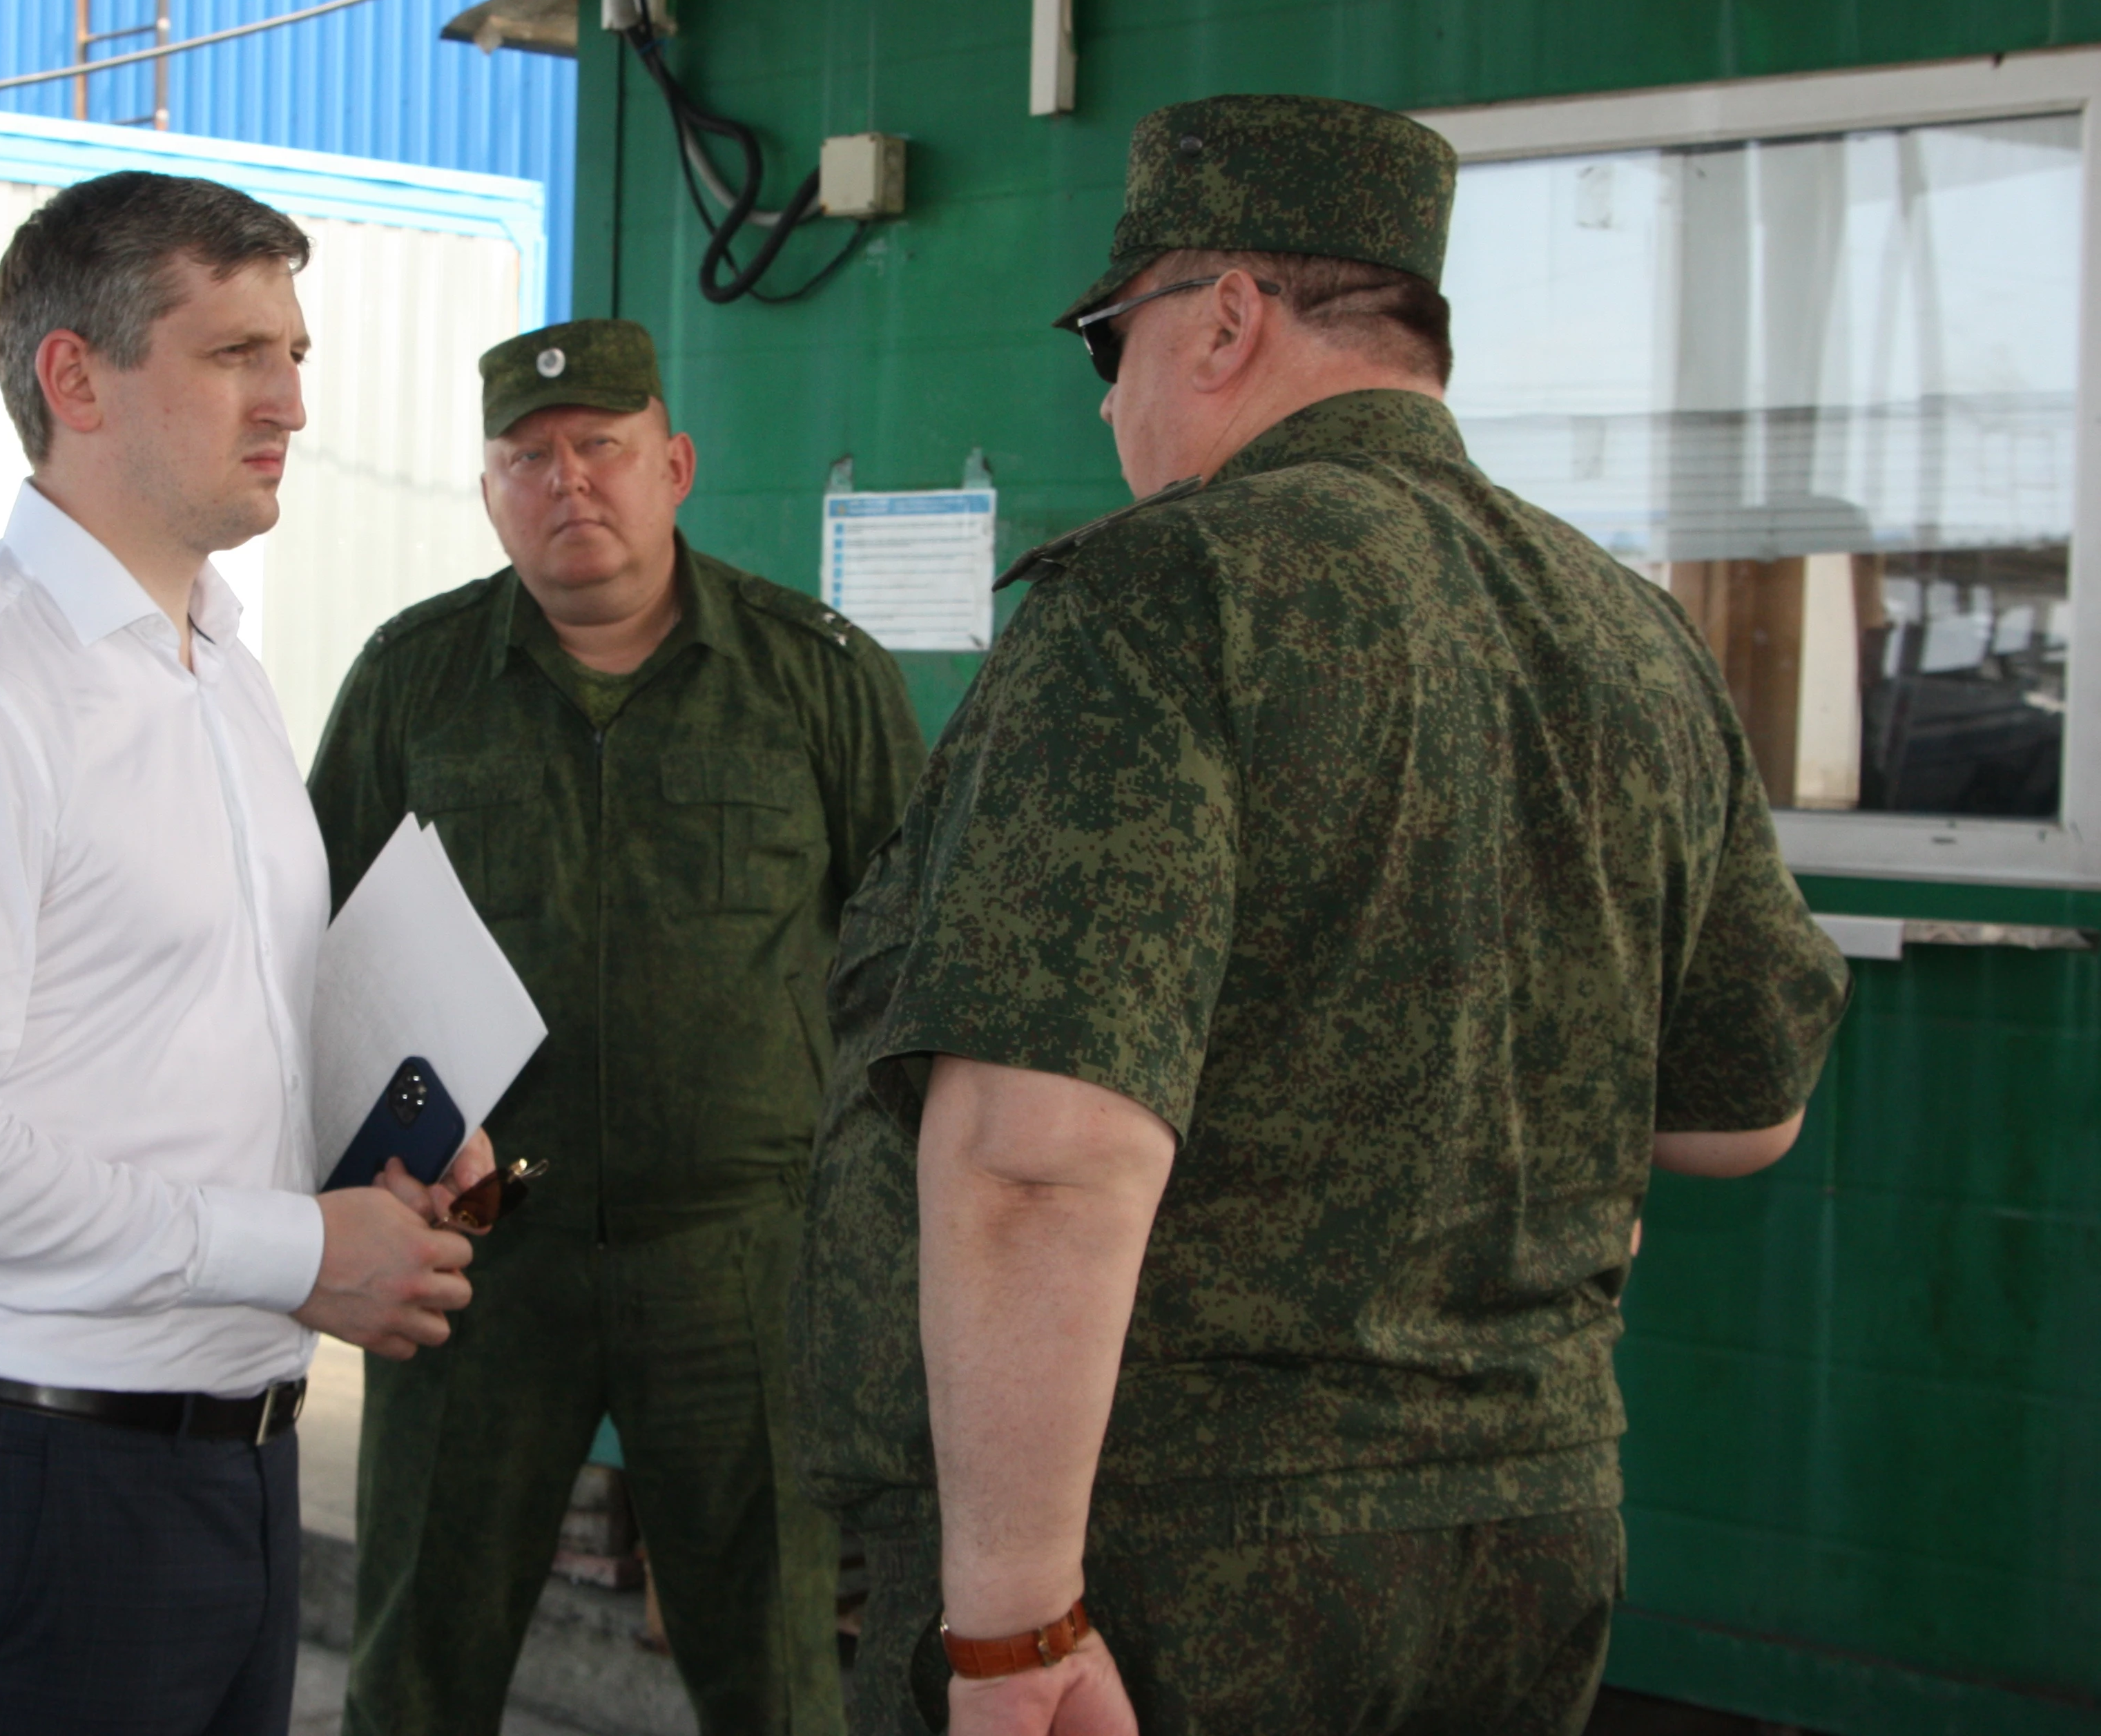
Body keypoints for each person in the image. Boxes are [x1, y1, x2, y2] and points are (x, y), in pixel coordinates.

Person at [789, 95, 1856, 1736]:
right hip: (1525, 1530)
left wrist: (1011, 1626)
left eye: (1106, 336)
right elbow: (1745, 1109)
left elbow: (1035, 1154)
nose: (1110, 391)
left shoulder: (1166, 595)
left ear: (1223, 315)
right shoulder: (1631, 630)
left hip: (1181, 1565)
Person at [0, 171, 485, 1735]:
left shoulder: (213, 659)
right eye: (238, 351)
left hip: (222, 1466)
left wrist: (407, 1128)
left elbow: (208, 1023)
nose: (293, 401)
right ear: (76, 377)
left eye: (295, 352)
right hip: (29, 1481)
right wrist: (301, 1251)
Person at [309, 318, 926, 1736]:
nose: (568, 481)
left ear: (676, 465)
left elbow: (912, 966)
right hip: (475, 1258)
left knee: (773, 1662)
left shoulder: (815, 675)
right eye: (529, 456)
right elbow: (319, 944)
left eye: (603, 448)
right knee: (418, 1657)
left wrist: (882, 1234)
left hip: (741, 1261)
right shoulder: (416, 678)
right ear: (486, 490)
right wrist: (378, 1157)